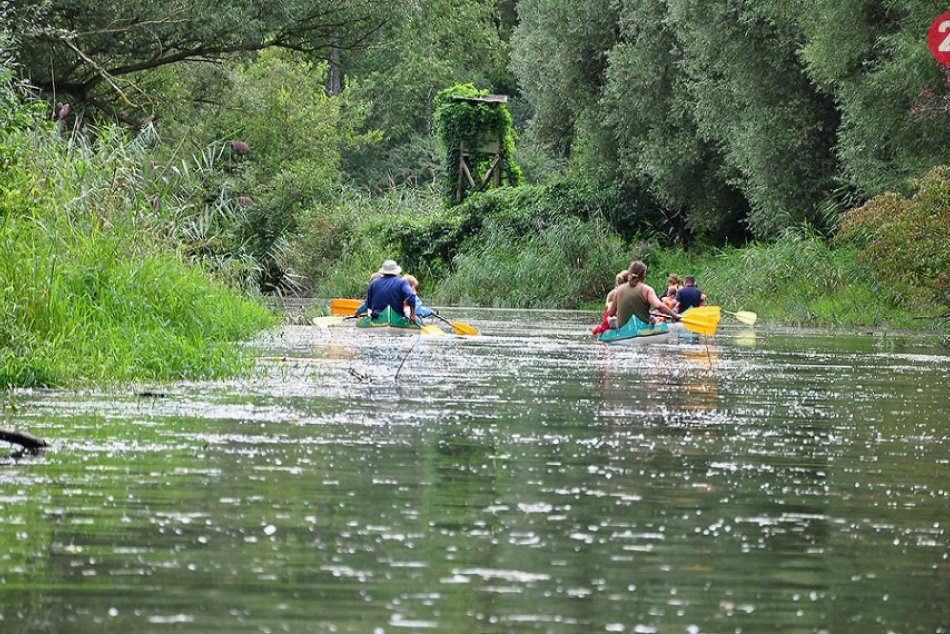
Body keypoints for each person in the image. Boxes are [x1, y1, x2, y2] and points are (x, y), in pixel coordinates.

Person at [606, 260, 680, 328]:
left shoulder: (618, 290)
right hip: (643, 327)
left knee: (609, 318)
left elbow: (611, 313)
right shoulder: (647, 290)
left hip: (624, 329)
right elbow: (659, 306)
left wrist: (609, 303)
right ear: (643, 275)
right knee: (652, 319)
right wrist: (675, 316)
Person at [592, 271, 629, 335]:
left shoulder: (613, 292)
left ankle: (615, 323)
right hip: (613, 317)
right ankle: (614, 323)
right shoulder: (619, 293)